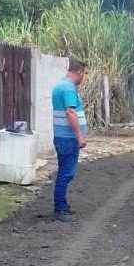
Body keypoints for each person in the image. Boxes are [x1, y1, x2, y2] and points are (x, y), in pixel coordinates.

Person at [51, 59, 88, 222]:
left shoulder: (61, 85)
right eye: (85, 74)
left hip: (62, 137)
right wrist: (80, 136)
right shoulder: (68, 88)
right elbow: (70, 113)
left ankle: (62, 206)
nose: (84, 77)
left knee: (64, 172)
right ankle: (60, 208)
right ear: (79, 72)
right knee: (66, 173)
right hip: (68, 138)